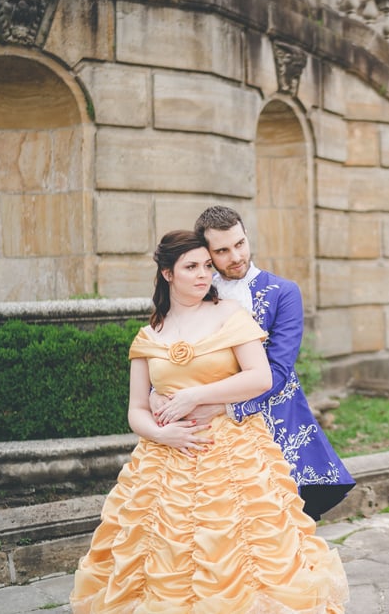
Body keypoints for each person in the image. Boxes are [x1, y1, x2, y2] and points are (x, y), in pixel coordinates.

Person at [70, 230, 348, 613]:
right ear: (168, 273)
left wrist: (194, 396)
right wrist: (163, 434)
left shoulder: (229, 314)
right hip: (166, 459)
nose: (203, 275)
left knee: (245, 548)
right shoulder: (150, 335)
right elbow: (136, 410)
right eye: (191, 267)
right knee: (167, 551)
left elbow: (261, 377)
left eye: (205, 265)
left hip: (234, 453)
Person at [152, 205, 355, 521]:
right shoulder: (197, 290)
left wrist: (223, 407)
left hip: (274, 422)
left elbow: (277, 371)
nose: (235, 256)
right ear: (207, 253)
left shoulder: (283, 292)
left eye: (240, 243)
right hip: (207, 432)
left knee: (277, 527)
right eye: (222, 250)